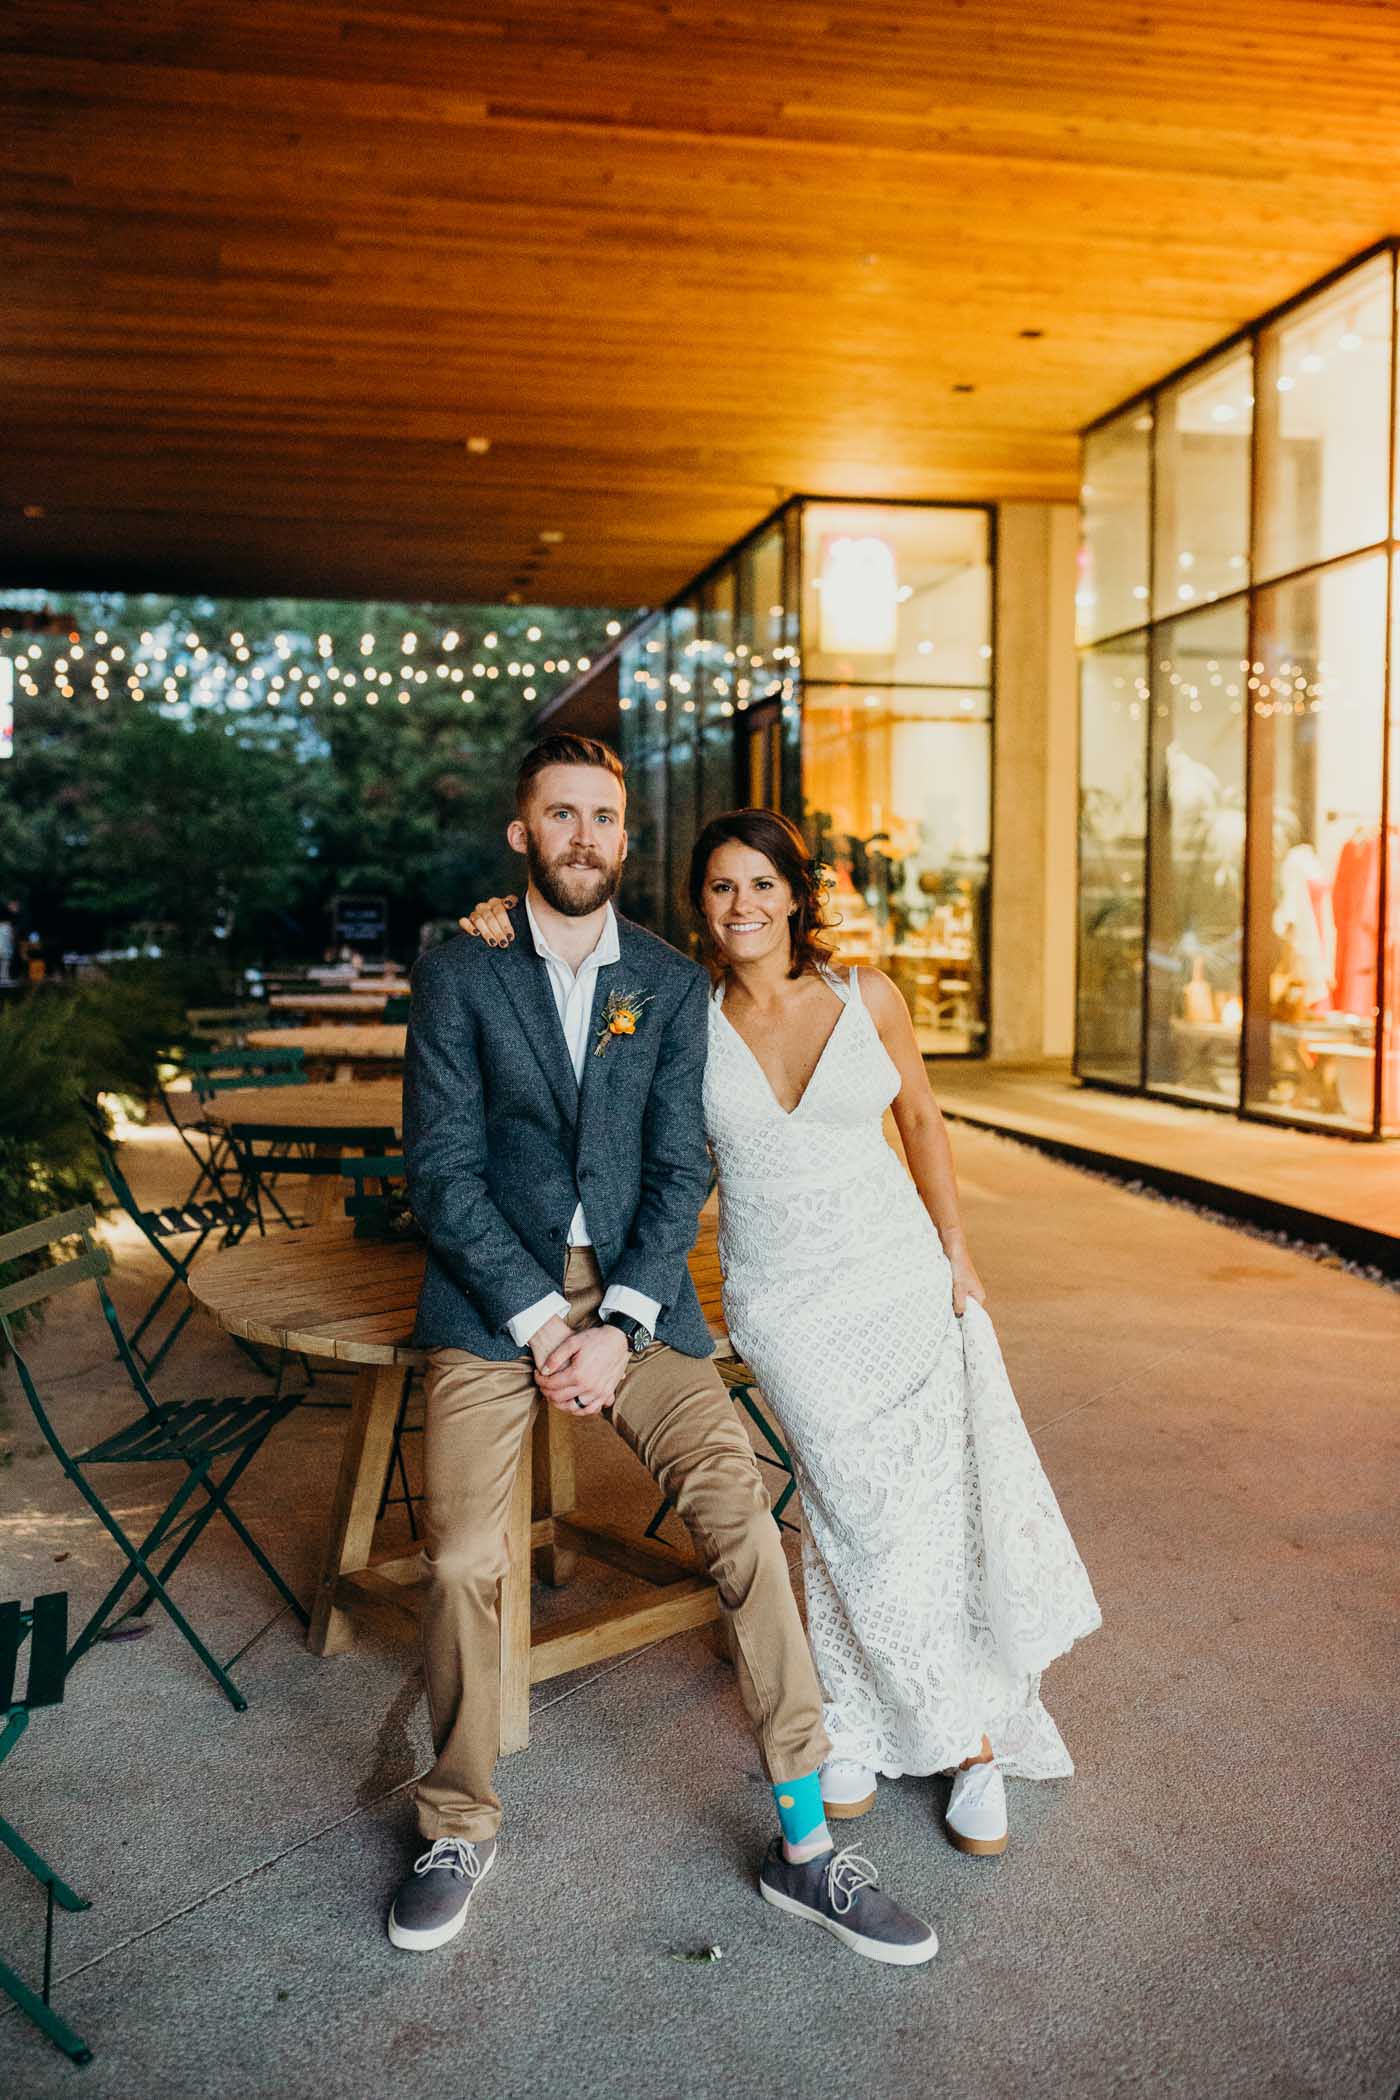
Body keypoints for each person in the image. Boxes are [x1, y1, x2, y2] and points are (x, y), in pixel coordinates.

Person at [462, 803, 1101, 1860]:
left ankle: (938, 1733)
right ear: (698, 908)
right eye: (720, 887)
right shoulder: (676, 1011)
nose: (742, 903)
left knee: (928, 1505)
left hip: (897, 1276)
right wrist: (502, 919)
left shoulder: (869, 996)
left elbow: (923, 1122)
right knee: (854, 1507)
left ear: (797, 894)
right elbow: (589, 1045)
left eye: (762, 883)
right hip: (787, 1302)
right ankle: (912, 1729)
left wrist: (958, 1250)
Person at [394, 736, 937, 1966]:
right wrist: (546, 1325)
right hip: (494, 1308)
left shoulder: (666, 982)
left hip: (637, 1312)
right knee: (467, 1552)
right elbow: (440, 1170)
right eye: (558, 815)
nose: (583, 835)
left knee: (741, 1514)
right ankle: (457, 1821)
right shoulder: (459, 972)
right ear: (521, 835)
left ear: (626, 839)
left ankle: (805, 1844)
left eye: (604, 816)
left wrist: (622, 1322)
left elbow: (682, 1164)